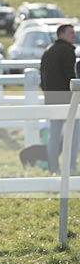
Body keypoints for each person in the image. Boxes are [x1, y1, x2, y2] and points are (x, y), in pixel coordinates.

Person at [40, 23, 79, 174]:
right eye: (70, 33)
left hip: (52, 98)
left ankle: (53, 166)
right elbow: (71, 77)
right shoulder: (68, 51)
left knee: (54, 135)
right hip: (68, 99)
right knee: (73, 135)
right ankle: (71, 166)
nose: (73, 35)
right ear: (61, 34)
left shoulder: (48, 51)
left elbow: (42, 77)